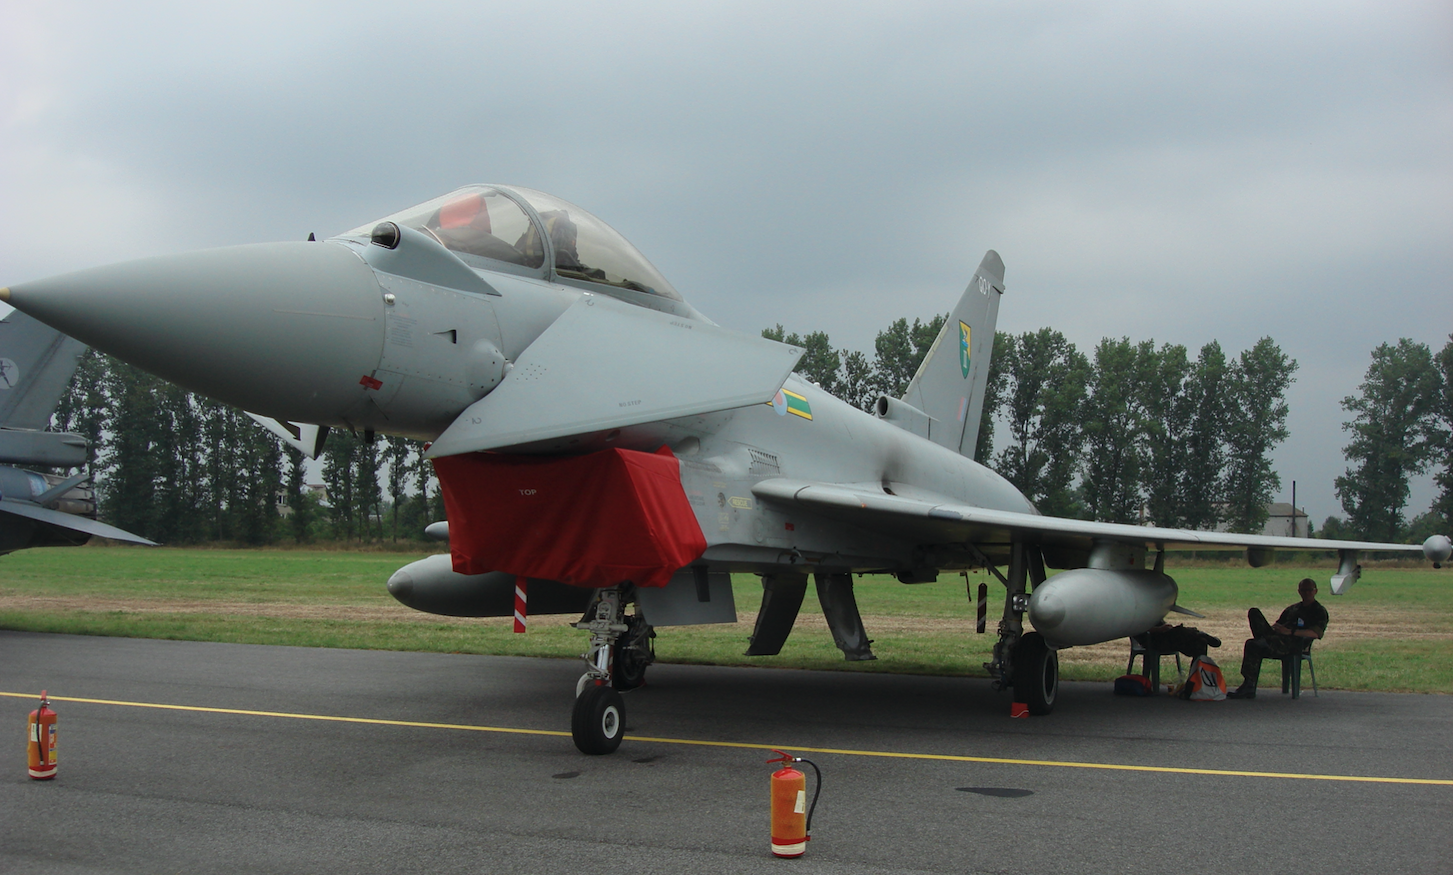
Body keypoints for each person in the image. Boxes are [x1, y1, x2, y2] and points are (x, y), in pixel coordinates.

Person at [1226, 577, 1327, 699]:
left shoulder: (1319, 611)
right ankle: (1249, 684)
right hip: (1276, 639)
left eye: (1309, 590)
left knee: (1254, 644)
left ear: (1315, 591)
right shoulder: (1292, 609)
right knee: (1254, 616)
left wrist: (1290, 632)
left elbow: (1315, 633)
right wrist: (1277, 629)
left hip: (1293, 645)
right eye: (1303, 590)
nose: (1306, 593)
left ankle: (1263, 644)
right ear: (1299, 591)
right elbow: (1278, 624)